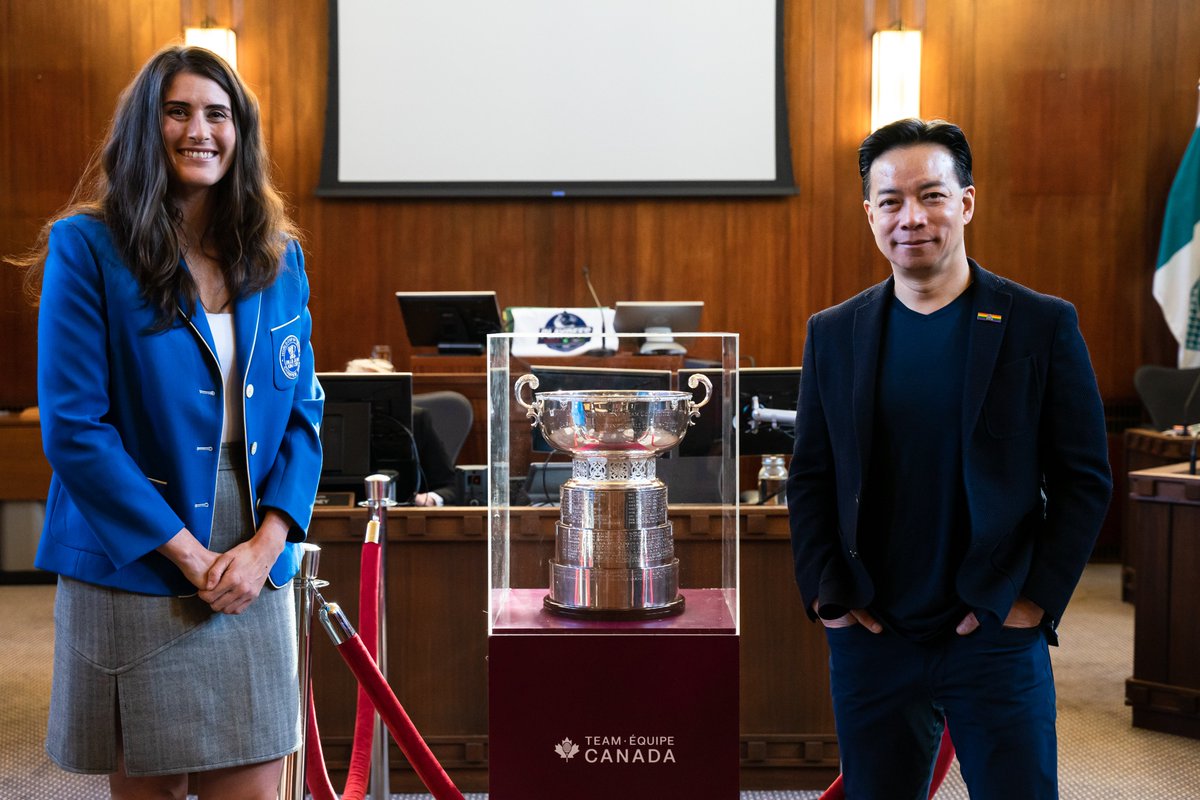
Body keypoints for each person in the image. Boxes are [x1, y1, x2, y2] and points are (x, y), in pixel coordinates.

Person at [11, 45, 323, 799]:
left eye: (218, 114)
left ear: (240, 133)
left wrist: (265, 545)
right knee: (150, 788)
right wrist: (190, 557)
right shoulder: (85, 247)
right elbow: (75, 430)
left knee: (251, 784)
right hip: (137, 551)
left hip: (252, 554)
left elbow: (304, 414)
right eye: (176, 111)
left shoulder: (279, 257)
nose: (199, 130)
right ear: (144, 129)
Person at [786, 118, 1112, 799]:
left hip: (993, 631)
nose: (912, 218)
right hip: (875, 636)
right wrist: (830, 599)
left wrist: (1031, 602)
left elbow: (1083, 482)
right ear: (869, 214)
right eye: (890, 201)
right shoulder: (834, 332)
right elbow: (812, 477)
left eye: (931, 196)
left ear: (966, 203)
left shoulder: (1039, 324)